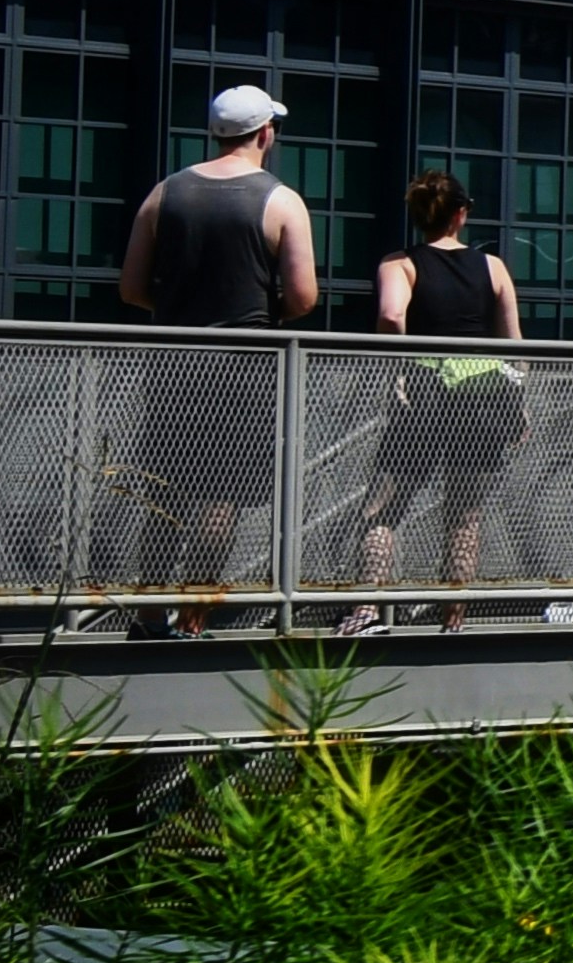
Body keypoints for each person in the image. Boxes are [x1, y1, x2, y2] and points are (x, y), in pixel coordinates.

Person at [114, 84, 321, 629]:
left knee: (166, 496)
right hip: (244, 374)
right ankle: (194, 619)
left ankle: (148, 611)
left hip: (171, 369)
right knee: (220, 498)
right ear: (265, 133)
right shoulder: (281, 201)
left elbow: (132, 287)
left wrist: (183, 308)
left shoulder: (164, 194)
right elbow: (303, 297)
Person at [351, 171, 525, 636]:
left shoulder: (399, 263)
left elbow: (391, 314)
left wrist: (400, 367)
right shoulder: (492, 267)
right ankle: (454, 619)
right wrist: (518, 401)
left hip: (426, 394)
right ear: (461, 215)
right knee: (464, 513)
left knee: (384, 508)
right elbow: (514, 343)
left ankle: (368, 610)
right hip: (484, 399)